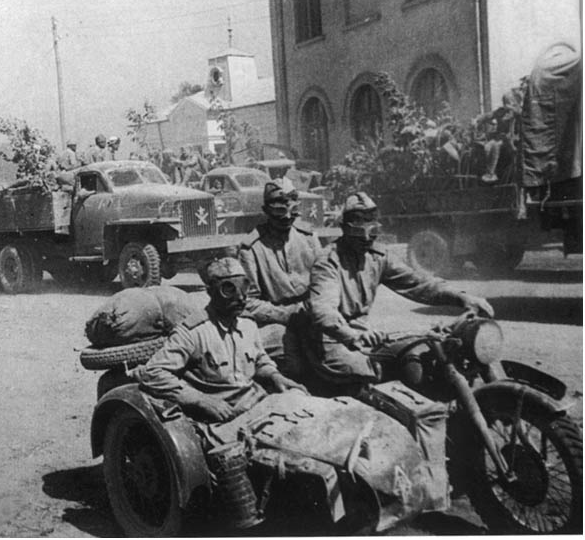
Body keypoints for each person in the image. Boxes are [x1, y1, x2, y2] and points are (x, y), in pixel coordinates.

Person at [135, 257, 305, 528]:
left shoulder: (248, 325)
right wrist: (201, 400)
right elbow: (153, 372)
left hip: (258, 405)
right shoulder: (193, 332)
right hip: (221, 420)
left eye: (244, 287)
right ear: (211, 292)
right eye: (229, 289)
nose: (240, 297)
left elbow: (260, 359)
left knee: (306, 413)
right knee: (235, 463)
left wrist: (276, 376)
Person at [305, 192, 494, 390]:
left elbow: (419, 283)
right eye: (359, 232)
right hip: (331, 343)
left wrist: (462, 298)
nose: (367, 238)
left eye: (373, 230)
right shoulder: (328, 262)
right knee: (370, 374)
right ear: (345, 229)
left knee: (424, 359)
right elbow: (323, 312)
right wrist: (352, 335)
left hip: (364, 338)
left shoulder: (378, 256)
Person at [238, 178, 321, 376]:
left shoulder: (309, 238)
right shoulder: (251, 248)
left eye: (293, 211)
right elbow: (248, 302)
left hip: (313, 313)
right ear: (266, 210)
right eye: (279, 212)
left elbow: (325, 282)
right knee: (292, 362)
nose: (287, 218)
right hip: (275, 321)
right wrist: (287, 315)